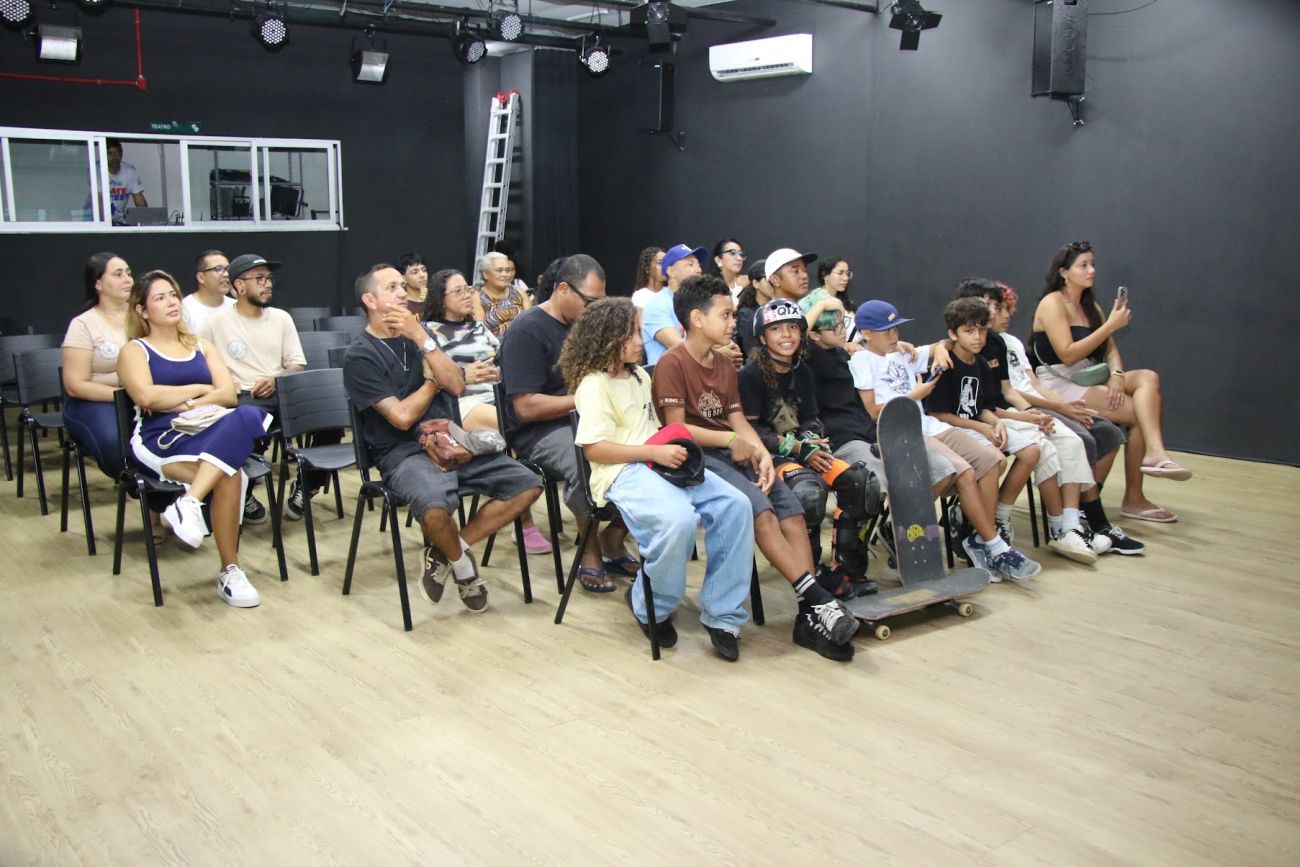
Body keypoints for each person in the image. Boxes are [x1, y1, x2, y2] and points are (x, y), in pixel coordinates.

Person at [652, 275, 859, 661]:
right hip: (700, 458)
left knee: (792, 513)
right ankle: (818, 598)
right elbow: (677, 429)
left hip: (734, 451)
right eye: (726, 315)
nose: (734, 322)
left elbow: (737, 419)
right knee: (759, 510)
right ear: (697, 319)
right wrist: (733, 441)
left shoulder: (724, 363)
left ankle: (808, 615)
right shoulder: (671, 363)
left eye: (734, 315)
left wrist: (760, 452)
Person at [561, 297, 756, 660]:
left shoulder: (639, 376)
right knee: (677, 520)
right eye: (633, 334)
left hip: (658, 462)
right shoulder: (593, 385)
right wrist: (653, 452)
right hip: (621, 471)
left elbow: (654, 429)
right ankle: (651, 604)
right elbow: (595, 450)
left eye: (639, 331)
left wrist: (665, 450)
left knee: (736, 506)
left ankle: (723, 614)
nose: (641, 340)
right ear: (607, 338)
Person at [343, 263, 542, 614]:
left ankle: (447, 551)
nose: (403, 294)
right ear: (370, 301)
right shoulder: (360, 355)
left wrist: (422, 340)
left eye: (402, 286)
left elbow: (456, 384)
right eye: (392, 288)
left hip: (452, 442)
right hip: (403, 453)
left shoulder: (419, 335)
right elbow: (402, 417)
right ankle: (464, 569)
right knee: (434, 509)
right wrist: (432, 381)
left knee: (528, 484)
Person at [850, 299, 1042, 583]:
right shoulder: (861, 360)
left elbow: (947, 342)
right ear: (866, 333)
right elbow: (874, 412)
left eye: (896, 329)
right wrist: (914, 395)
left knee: (993, 460)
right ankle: (995, 546)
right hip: (901, 431)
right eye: (887, 331)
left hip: (930, 425)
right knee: (962, 471)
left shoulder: (900, 352)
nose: (895, 335)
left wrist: (940, 349)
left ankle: (979, 538)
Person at [117, 270, 273, 608]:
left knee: (248, 413)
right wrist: (199, 390)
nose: (171, 302)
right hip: (161, 436)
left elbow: (228, 394)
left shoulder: (201, 345)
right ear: (142, 310)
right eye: (160, 298)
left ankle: (190, 502)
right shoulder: (135, 350)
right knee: (230, 473)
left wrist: (185, 402)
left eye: (173, 295)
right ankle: (230, 570)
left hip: (206, 426)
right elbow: (146, 397)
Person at [923, 297, 1097, 565]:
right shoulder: (945, 365)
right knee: (996, 460)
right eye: (969, 331)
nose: (978, 337)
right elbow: (938, 414)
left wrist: (996, 422)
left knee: (1032, 450)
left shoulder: (981, 364)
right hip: (951, 428)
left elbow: (983, 406)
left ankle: (995, 517)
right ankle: (984, 530)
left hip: (978, 424)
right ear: (952, 334)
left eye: (982, 330)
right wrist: (982, 426)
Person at [499, 254, 637, 590]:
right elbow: (525, 408)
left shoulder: (587, 326)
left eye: (599, 302)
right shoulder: (526, 330)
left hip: (591, 419)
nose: (594, 310)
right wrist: (586, 399)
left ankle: (613, 538)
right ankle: (590, 549)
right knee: (585, 462)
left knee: (650, 452)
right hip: (541, 431)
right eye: (589, 301)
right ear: (563, 289)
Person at [1030, 241, 1190, 522]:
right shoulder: (1052, 303)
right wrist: (1109, 326)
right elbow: (1067, 354)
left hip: (1090, 374)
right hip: (1059, 382)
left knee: (1148, 378)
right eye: (1083, 265)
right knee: (1140, 414)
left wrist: (1117, 375)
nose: (1091, 270)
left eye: (1093, 264)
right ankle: (1132, 497)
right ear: (1064, 272)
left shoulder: (1090, 306)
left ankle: (1155, 452)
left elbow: (1110, 350)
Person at [738, 298, 881, 599]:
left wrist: (812, 438)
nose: (786, 335)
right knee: (808, 492)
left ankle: (845, 570)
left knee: (860, 483)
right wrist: (799, 448)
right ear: (762, 337)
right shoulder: (750, 376)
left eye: (793, 327)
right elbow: (751, 432)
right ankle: (811, 576)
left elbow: (811, 417)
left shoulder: (802, 371)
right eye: (776, 329)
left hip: (803, 450)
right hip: (769, 458)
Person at [1000, 283, 1145, 554]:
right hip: (1020, 410)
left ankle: (1082, 513)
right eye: (999, 308)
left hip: (1043, 402)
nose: (1007, 314)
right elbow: (1009, 392)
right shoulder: (986, 346)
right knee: (1079, 439)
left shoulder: (1012, 343)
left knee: (1109, 433)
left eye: (1008, 308)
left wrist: (1063, 405)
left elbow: (1032, 384)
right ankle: (1079, 523)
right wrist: (1051, 408)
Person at [424, 267, 552, 555]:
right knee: (512, 429)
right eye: (457, 291)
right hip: (461, 403)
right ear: (440, 298)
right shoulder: (429, 334)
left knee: (528, 420)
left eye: (467, 289)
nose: (466, 295)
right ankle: (525, 523)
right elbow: (430, 376)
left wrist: (499, 371)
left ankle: (523, 499)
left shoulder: (478, 328)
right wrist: (464, 374)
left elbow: (502, 359)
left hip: (496, 396)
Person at [200, 253, 337, 522]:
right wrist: (225, 383)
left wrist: (276, 378)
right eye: (259, 279)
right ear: (239, 285)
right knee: (249, 420)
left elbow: (296, 365)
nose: (268, 284)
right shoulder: (215, 323)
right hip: (244, 397)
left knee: (330, 414)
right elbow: (199, 365)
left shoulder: (281, 318)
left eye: (269, 278)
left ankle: (307, 485)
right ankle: (244, 491)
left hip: (281, 392)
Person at [62, 252, 169, 542]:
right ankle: (152, 498)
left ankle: (167, 501)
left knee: (167, 433)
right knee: (117, 443)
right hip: (93, 402)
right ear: (98, 284)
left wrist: (139, 391)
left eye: (129, 273)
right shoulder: (84, 325)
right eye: (118, 274)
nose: (127, 279)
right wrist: (128, 393)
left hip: (140, 396)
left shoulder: (142, 316)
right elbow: (76, 384)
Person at [643, 243, 744, 369]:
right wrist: (717, 354)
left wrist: (730, 348)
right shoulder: (656, 304)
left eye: (698, 264)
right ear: (671, 271)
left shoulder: (699, 301)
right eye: (690, 265)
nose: (698, 270)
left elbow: (714, 337)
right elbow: (677, 345)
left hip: (700, 371)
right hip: (670, 374)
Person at [472, 251, 531, 336]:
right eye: (499, 270)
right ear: (485, 274)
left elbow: (531, 323)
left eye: (508, 270)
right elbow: (480, 331)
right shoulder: (477, 296)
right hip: (493, 342)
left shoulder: (520, 292)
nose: (505, 274)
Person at [181, 250, 235, 335]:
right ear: (201, 277)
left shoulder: (236, 306)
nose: (226, 274)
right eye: (218, 269)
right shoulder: (184, 309)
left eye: (228, 269)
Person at [104, 138, 148, 225]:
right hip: (99, 221)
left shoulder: (129, 171)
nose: (114, 157)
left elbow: (139, 200)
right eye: (110, 153)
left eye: (117, 153)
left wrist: (147, 221)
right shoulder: (97, 170)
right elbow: (99, 201)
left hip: (119, 221)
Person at [733, 258, 770, 358]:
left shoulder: (779, 307)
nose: (773, 282)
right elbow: (753, 353)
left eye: (776, 278)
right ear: (756, 283)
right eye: (768, 279)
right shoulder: (746, 315)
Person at [712, 238, 749, 302]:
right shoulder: (710, 287)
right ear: (718, 260)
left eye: (741, 254)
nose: (739, 258)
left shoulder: (749, 282)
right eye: (732, 253)